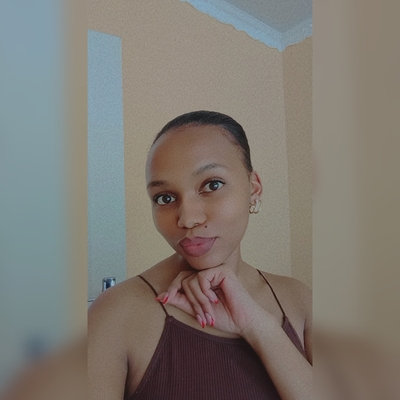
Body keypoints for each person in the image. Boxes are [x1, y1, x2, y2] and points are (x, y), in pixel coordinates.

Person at [88, 111, 312, 400]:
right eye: (165, 198)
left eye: (212, 185)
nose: (187, 218)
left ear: (253, 188)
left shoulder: (298, 301)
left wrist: (258, 326)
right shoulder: (115, 315)